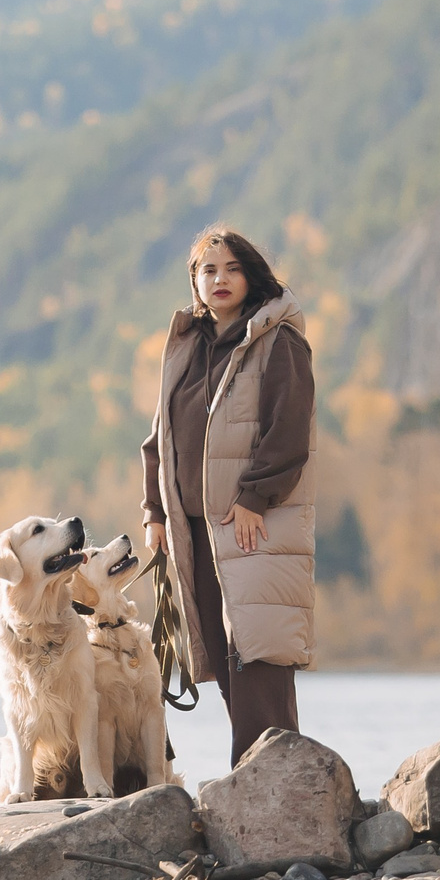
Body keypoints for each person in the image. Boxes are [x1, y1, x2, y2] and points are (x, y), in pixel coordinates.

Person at [140, 224, 317, 768]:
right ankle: (252, 780)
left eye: (231, 268)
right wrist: (156, 512)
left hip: (250, 521)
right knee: (220, 656)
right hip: (194, 529)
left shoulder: (276, 340)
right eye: (207, 270)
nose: (219, 279)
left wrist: (254, 497)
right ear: (194, 282)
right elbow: (159, 439)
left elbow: (288, 430)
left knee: (258, 655)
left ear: (251, 276)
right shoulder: (187, 348)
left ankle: (275, 786)